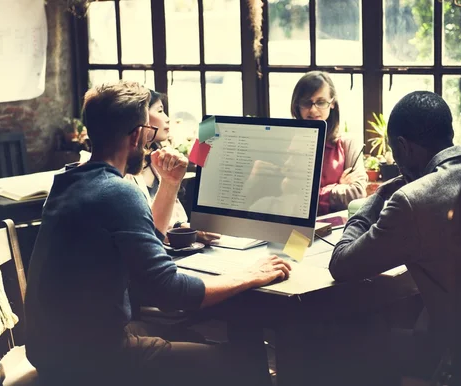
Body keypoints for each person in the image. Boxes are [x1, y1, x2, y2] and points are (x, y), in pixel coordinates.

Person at [24, 81, 292, 386]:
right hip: (95, 361)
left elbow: (144, 238)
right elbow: (171, 292)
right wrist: (250, 275)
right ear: (137, 134)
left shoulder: (69, 181)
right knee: (242, 362)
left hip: (51, 353)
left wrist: (169, 183)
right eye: (148, 134)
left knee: (189, 338)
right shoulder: (118, 191)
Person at [329, 91, 461, 378]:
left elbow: (341, 264)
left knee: (343, 338)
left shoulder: (412, 200)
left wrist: (379, 196)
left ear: (403, 147)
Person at [124, 90, 219, 243]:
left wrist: (209, 128)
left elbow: (200, 163)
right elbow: (144, 231)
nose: (167, 119)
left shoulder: (159, 158)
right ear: (142, 118)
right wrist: (187, 230)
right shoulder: (124, 172)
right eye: (160, 111)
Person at [291, 71, 367, 215]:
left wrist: (318, 194)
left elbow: (357, 194)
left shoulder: (348, 143)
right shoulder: (289, 143)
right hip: (296, 228)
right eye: (306, 103)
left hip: (338, 228)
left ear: (332, 104)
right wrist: (338, 187)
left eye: (320, 102)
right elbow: (292, 198)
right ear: (297, 105)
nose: (313, 110)